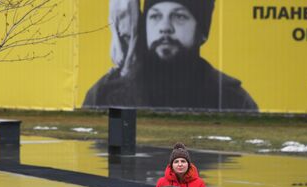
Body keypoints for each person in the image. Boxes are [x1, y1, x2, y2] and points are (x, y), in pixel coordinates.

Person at [84, 0, 258, 111]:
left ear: (202, 31)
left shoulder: (232, 99)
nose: (164, 27)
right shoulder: (103, 94)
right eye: (155, 16)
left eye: (179, 16)